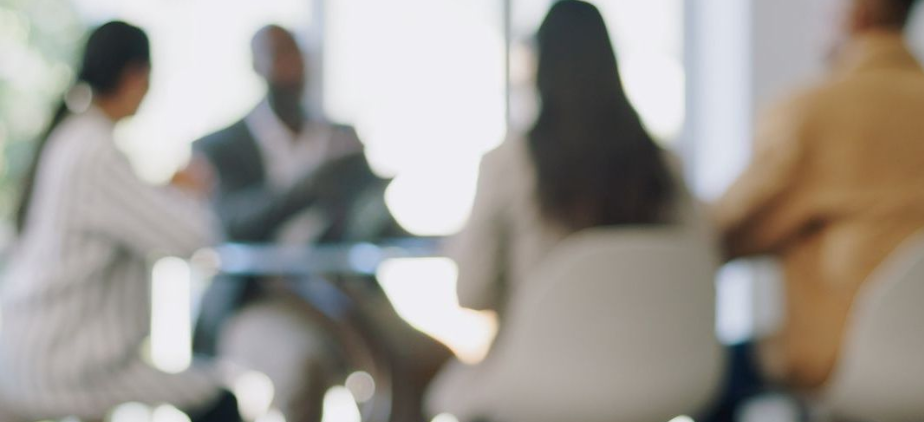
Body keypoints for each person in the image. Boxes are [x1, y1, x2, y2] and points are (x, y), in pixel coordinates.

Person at [709, 0, 924, 419]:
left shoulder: (811, 112)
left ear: (852, 13)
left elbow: (729, 231)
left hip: (848, 357)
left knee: (710, 374)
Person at [424, 2, 713, 420]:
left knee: (437, 390)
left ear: (540, 68)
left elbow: (471, 291)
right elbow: (703, 260)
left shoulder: (511, 163)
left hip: (541, 381)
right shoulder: (664, 163)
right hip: (663, 381)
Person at [192, 25, 449, 422]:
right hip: (259, 299)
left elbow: (376, 224)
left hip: (343, 291)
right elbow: (233, 225)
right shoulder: (222, 146)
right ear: (256, 67)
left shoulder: (339, 137)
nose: (291, 66)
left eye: (296, 54)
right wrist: (311, 185)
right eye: (278, 55)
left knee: (423, 357)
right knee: (303, 366)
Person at [0, 21, 241, 422]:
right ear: (136, 76)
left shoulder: (71, 136)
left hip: (36, 348)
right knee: (215, 398)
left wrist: (161, 189)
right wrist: (188, 191)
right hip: (59, 363)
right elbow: (192, 237)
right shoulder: (94, 149)